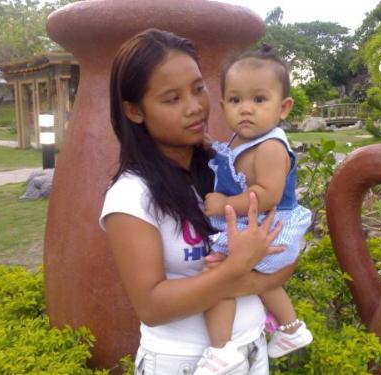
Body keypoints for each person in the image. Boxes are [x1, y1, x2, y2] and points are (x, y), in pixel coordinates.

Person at [99, 29, 296, 375]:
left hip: (250, 348)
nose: (194, 108)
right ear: (134, 111)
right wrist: (239, 270)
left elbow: (284, 252)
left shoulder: (225, 169)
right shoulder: (132, 196)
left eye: (198, 88)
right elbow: (152, 306)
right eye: (172, 99)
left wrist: (251, 272)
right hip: (185, 362)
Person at [197, 46, 313, 374]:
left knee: (217, 282)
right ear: (223, 106)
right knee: (260, 280)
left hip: (270, 227)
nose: (246, 109)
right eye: (235, 100)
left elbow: (267, 196)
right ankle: (292, 329)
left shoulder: (272, 147)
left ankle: (221, 351)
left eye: (259, 100)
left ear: (284, 107)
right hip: (257, 228)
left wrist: (223, 204)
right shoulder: (239, 140)